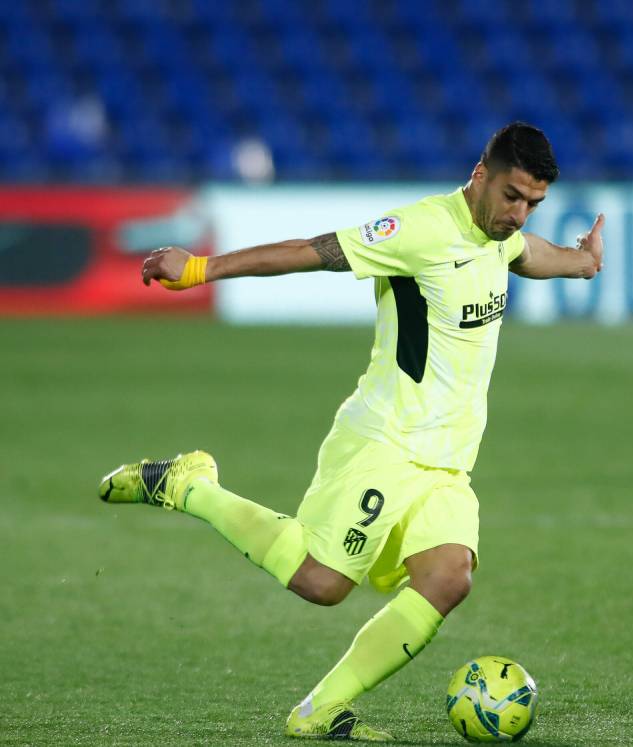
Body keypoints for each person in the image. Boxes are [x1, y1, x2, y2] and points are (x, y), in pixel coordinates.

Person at [97, 122, 604, 740]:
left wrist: (581, 262)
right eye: (512, 197)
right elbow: (311, 251)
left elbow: (528, 255)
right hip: (385, 442)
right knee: (322, 583)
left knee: (448, 578)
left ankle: (317, 710)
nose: (519, 215)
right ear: (481, 176)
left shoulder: (501, 237)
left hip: (447, 461)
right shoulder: (417, 231)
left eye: (533, 204)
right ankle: (188, 486)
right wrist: (201, 268)